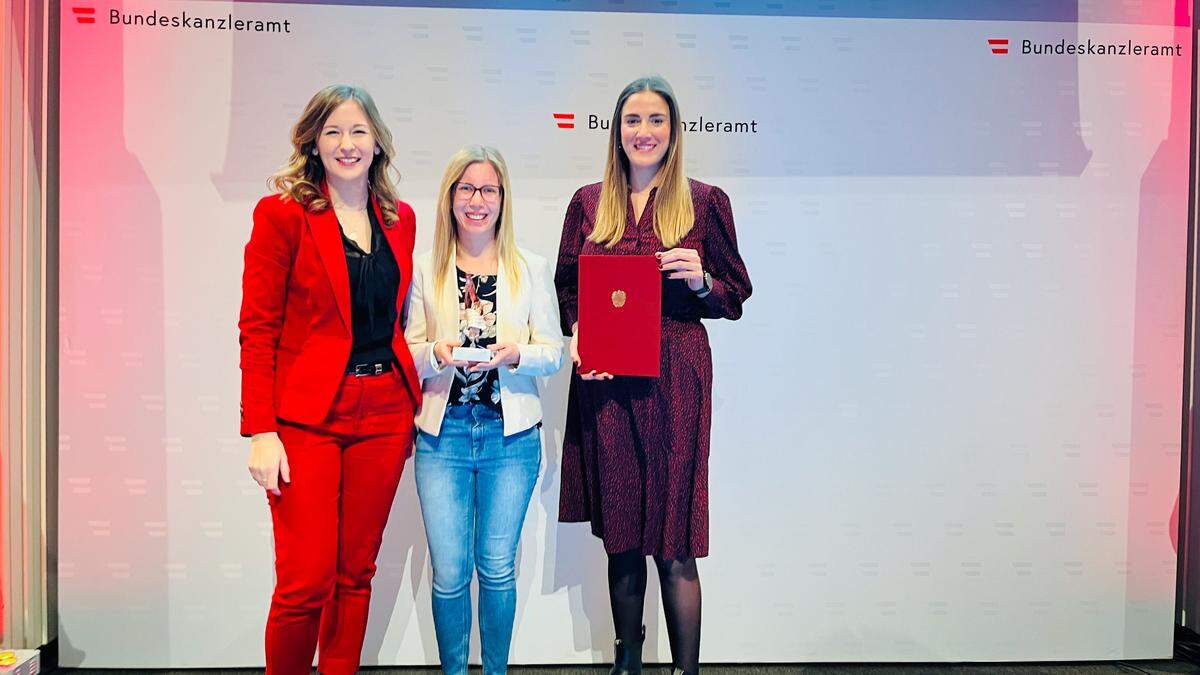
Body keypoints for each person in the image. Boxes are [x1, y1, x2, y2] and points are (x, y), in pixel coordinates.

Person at [554, 75, 752, 675]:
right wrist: (579, 333)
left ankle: (686, 672)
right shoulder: (589, 203)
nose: (644, 131)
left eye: (656, 120)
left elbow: (736, 293)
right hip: (609, 385)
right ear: (617, 131)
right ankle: (627, 666)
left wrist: (701, 281)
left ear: (674, 130)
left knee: (674, 545)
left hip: (677, 381)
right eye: (633, 120)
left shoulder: (705, 201)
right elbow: (568, 288)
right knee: (622, 538)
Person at [239, 84, 420, 675]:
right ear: (314, 142)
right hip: (308, 418)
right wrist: (260, 430)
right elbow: (258, 328)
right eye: (334, 131)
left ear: (377, 144)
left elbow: (395, 318)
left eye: (359, 131)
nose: (347, 143)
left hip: (386, 411)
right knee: (305, 579)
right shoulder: (282, 214)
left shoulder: (401, 219)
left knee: (354, 573)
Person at [405, 146, 564, 674]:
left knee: (496, 569)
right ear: (451, 197)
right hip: (442, 434)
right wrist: (436, 354)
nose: (477, 200)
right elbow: (407, 348)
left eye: (488, 190)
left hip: (510, 438)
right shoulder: (425, 268)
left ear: (503, 199)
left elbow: (555, 351)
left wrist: (518, 354)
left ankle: (493, 671)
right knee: (450, 573)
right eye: (466, 189)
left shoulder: (531, 268)